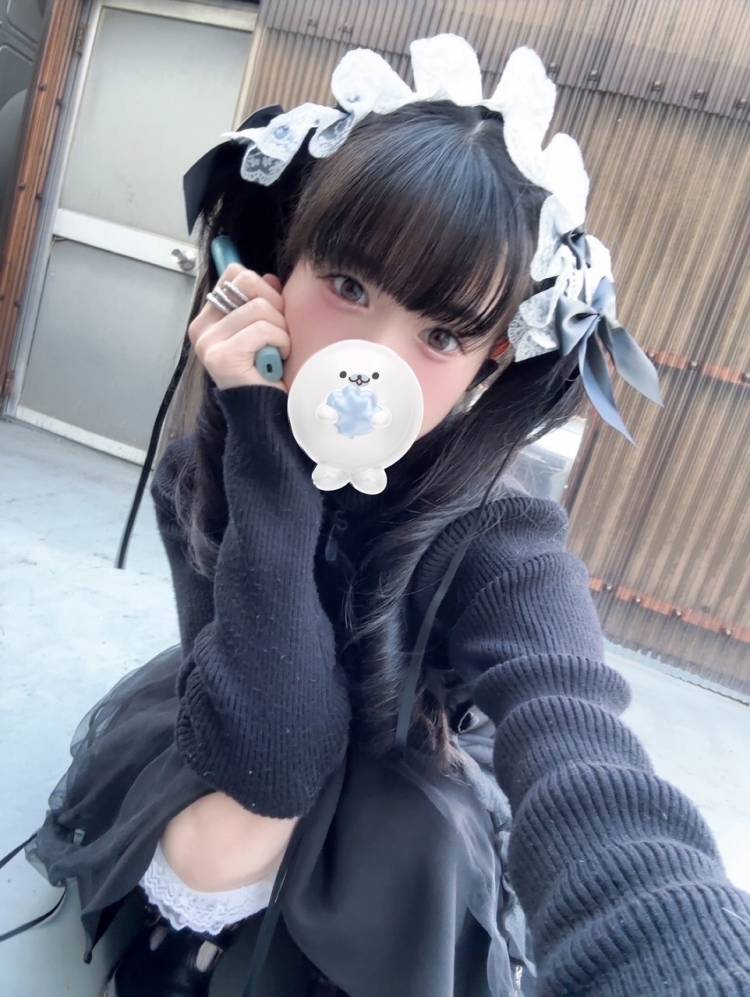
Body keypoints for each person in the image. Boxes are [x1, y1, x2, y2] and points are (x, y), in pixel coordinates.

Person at [3, 34, 750, 997]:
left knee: (406, 856)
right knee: (221, 831)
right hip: (257, 717)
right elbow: (268, 752)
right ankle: (196, 942)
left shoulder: (499, 534)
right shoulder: (208, 466)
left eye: (442, 333)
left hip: (409, 766)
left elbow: (574, 730)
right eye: (348, 286)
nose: (374, 361)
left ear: (489, 361)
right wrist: (263, 446)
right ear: (273, 269)